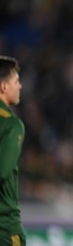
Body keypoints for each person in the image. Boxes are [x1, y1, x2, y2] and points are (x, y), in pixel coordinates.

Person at [0, 56, 25, 246]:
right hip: (4, 225)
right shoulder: (11, 124)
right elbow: (2, 171)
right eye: (16, 81)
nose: (20, 86)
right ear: (3, 86)